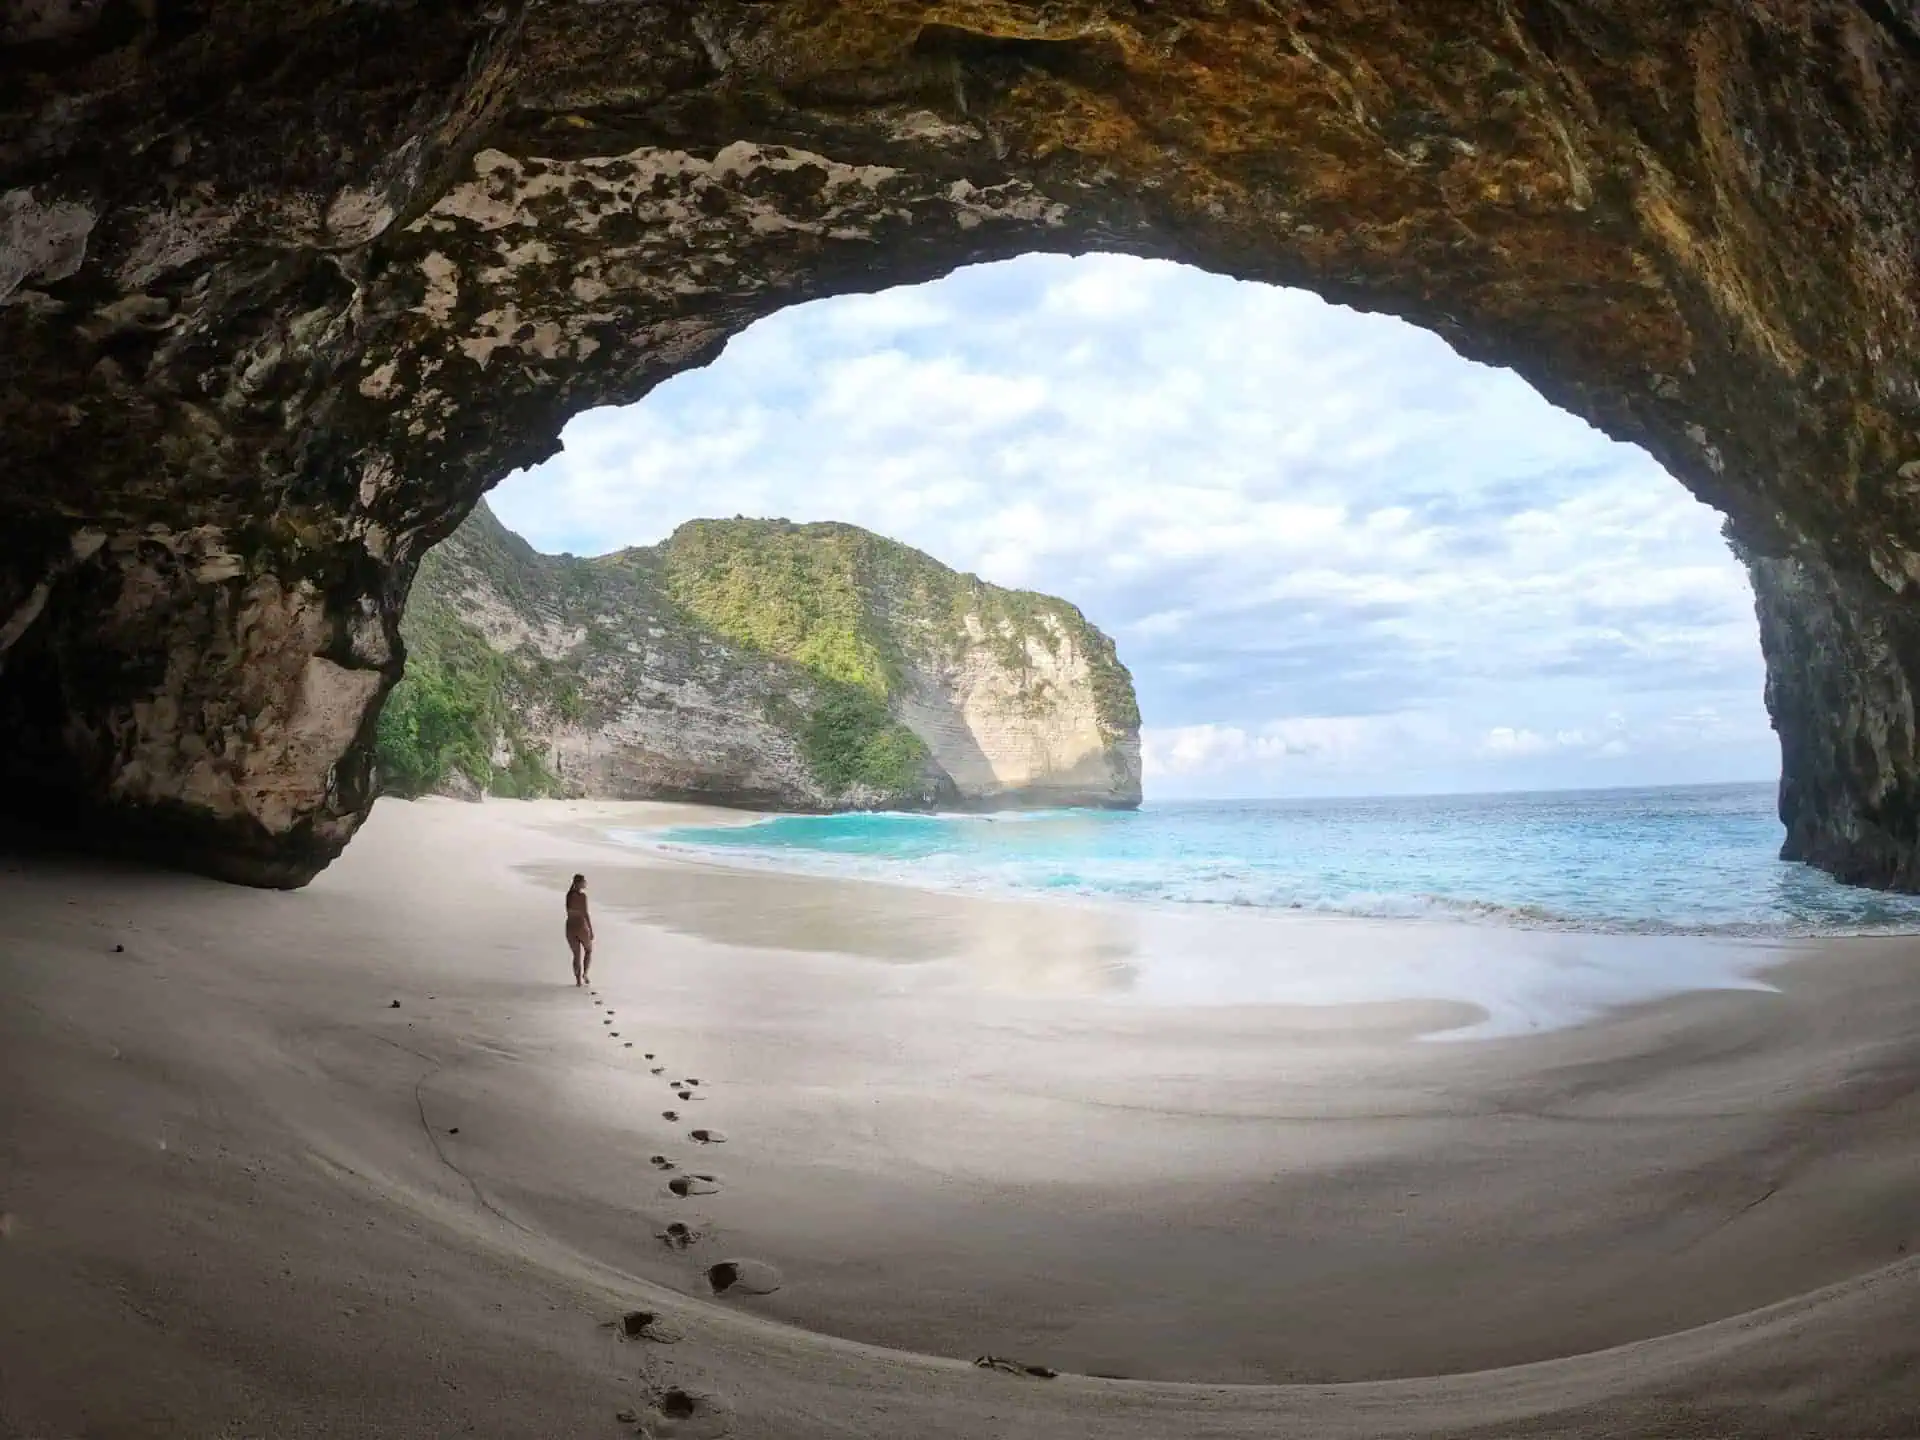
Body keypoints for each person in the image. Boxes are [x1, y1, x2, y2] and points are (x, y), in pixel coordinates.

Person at [565, 873, 594, 986]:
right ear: (579, 883)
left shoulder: (569, 895)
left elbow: (569, 910)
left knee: (576, 955)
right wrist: (590, 929)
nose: (585, 883)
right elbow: (585, 913)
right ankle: (585, 974)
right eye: (584, 881)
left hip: (569, 926)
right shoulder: (582, 897)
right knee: (588, 950)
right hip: (580, 925)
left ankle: (578, 981)